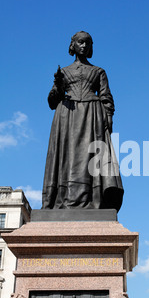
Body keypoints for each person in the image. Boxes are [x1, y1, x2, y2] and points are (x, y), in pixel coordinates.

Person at [42, 31, 123, 211]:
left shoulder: (98, 71)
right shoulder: (63, 72)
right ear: (73, 45)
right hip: (66, 115)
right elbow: (51, 102)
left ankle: (93, 199)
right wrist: (57, 86)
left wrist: (108, 119)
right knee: (66, 156)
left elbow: (106, 98)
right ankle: (61, 198)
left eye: (88, 43)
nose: (84, 46)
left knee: (89, 156)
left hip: (91, 116)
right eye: (81, 42)